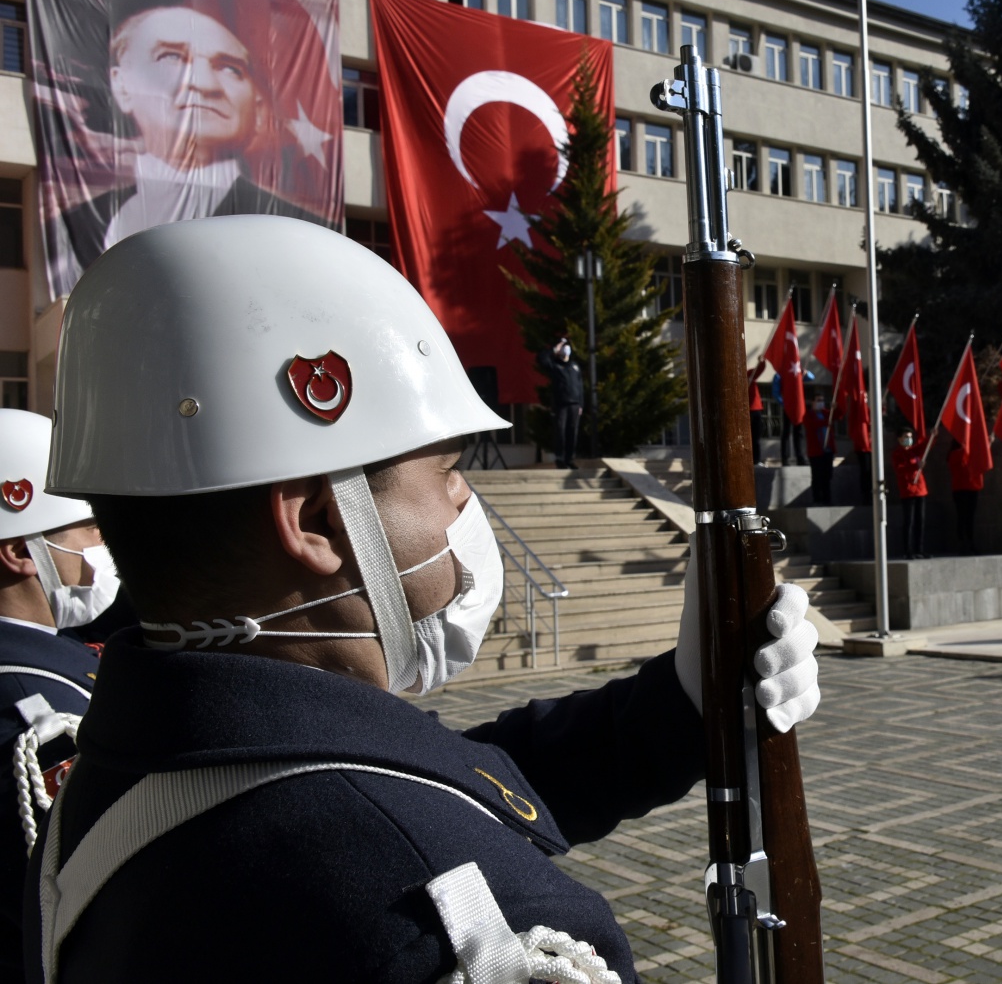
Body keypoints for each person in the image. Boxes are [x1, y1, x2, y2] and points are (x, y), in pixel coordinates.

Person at [23, 216, 822, 983]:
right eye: (445, 472)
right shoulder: (470, 928)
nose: (464, 504)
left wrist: (683, 704)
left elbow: (440, 778)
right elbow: (400, 814)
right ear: (320, 519)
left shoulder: (98, 791)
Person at [57, 6, 324, 261]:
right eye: (171, 57)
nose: (204, 84)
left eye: (230, 68)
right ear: (121, 84)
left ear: (257, 107)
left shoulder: (301, 233)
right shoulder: (72, 226)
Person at [0, 410, 112, 978]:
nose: (103, 542)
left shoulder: (47, 657)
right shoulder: (35, 711)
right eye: (89, 526)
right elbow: (71, 900)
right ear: (21, 551)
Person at [536, 338, 584, 469]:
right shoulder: (555, 365)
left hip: (574, 405)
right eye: (563, 346)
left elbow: (580, 387)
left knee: (572, 432)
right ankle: (560, 459)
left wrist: (581, 405)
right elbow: (541, 359)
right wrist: (554, 349)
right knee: (560, 432)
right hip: (561, 404)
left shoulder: (575, 366)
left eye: (567, 346)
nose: (565, 348)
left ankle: (570, 459)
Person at [890, 425, 928, 559]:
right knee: (909, 522)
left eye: (910, 437)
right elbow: (900, 469)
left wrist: (933, 435)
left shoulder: (914, 451)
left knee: (920, 521)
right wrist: (914, 466)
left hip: (920, 490)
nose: (909, 439)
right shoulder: (897, 454)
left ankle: (920, 549)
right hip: (908, 492)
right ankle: (908, 550)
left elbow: (926, 446)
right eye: (906, 437)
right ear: (899, 439)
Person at [948, 440, 986, 555]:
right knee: (962, 516)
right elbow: (960, 462)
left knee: (970, 518)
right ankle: (962, 544)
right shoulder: (954, 454)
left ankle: (970, 543)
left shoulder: (969, 452)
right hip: (960, 489)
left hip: (972, 487)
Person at [804, 392, 835, 505]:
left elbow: (838, 414)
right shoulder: (808, 415)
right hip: (816, 452)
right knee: (817, 476)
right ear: (812, 402)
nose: (821, 402)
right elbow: (812, 425)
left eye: (822, 400)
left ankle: (827, 499)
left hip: (827, 451)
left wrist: (835, 406)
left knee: (827, 476)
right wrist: (826, 422)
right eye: (818, 400)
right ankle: (817, 499)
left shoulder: (827, 414)